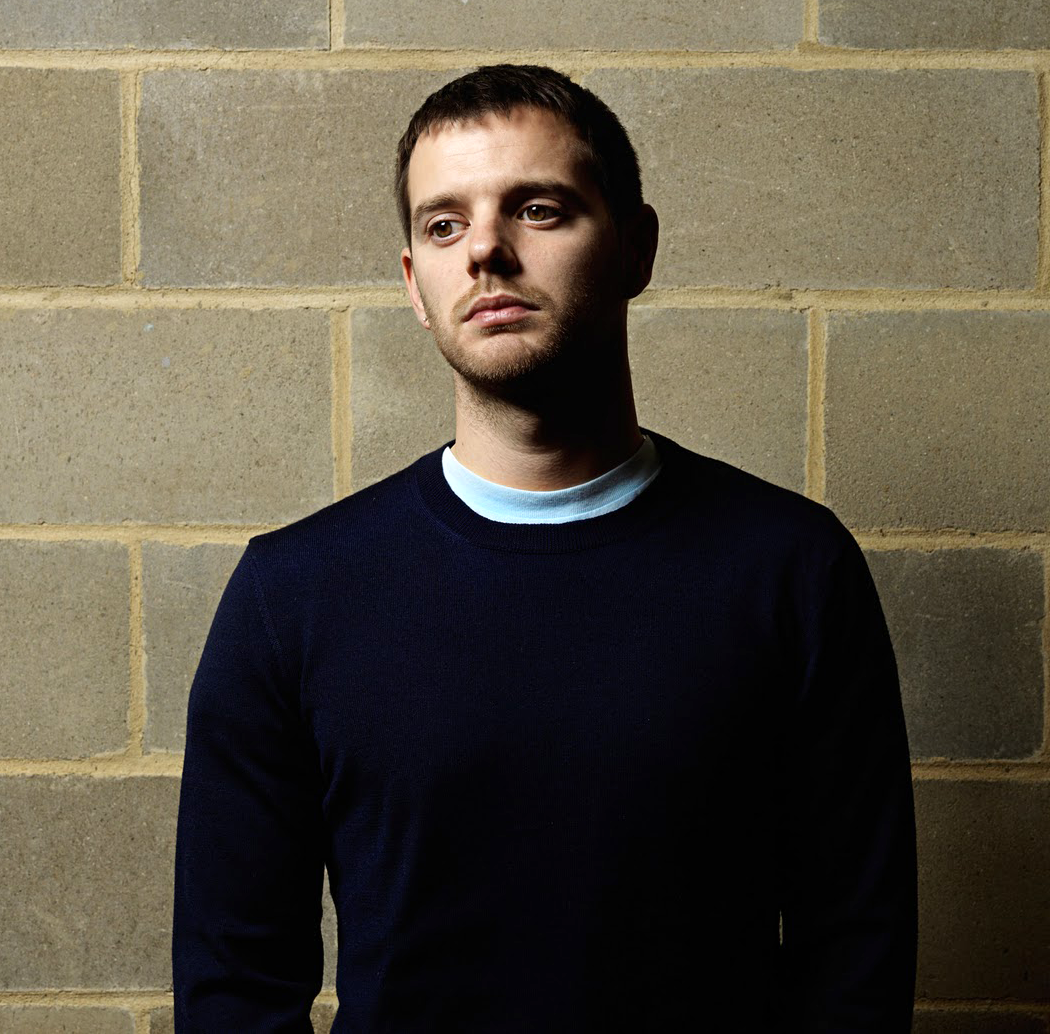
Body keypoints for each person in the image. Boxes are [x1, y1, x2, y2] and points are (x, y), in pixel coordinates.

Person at [173, 64, 917, 1032]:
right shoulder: (294, 594)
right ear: (415, 283)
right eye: (444, 225)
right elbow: (233, 986)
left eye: (537, 209)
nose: (486, 248)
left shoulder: (791, 569)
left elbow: (855, 956)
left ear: (635, 248)